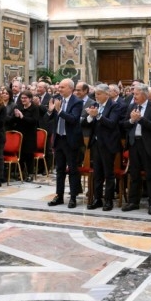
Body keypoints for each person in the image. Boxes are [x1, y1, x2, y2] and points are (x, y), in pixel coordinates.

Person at [121, 84, 151, 214]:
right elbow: (124, 125)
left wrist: (140, 119)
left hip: (148, 145)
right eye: (133, 94)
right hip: (134, 144)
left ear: (145, 95)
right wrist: (132, 121)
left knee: (150, 175)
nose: (134, 97)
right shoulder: (132, 106)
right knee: (134, 174)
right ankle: (133, 202)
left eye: (136, 94)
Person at [85, 84, 123, 212]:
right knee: (97, 173)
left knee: (108, 173)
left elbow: (112, 123)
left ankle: (108, 200)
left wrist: (98, 116)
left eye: (99, 94)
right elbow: (86, 123)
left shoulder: (115, 106)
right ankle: (97, 199)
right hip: (96, 143)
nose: (96, 96)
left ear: (107, 94)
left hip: (108, 144)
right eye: (95, 94)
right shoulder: (95, 105)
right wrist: (90, 116)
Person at [47, 79, 84, 208]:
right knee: (60, 170)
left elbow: (73, 119)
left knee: (73, 170)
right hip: (59, 139)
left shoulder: (77, 102)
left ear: (70, 88)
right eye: (59, 87)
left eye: (62, 87)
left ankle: (73, 197)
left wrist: (60, 111)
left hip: (70, 140)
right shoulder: (58, 99)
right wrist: (51, 111)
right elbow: (51, 118)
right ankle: (59, 195)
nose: (59, 89)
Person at [8, 90, 40, 181]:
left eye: (25, 98)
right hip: (20, 134)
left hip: (30, 135)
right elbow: (14, 121)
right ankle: (20, 173)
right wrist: (15, 116)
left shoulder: (34, 108)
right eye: (22, 98)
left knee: (29, 155)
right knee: (21, 154)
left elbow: (34, 121)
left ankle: (30, 174)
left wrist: (22, 117)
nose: (23, 100)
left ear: (30, 99)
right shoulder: (19, 107)